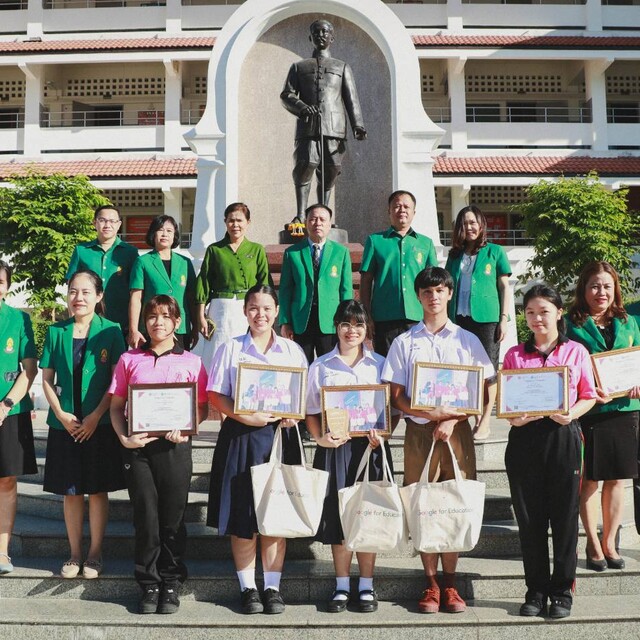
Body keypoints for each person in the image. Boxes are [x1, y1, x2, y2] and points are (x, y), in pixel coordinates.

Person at [382, 266, 494, 614]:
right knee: (423, 504)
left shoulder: (467, 340)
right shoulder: (404, 342)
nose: (434, 297)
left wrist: (451, 418)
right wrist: (430, 414)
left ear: (449, 294)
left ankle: (450, 582)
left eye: (440, 290)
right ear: (418, 296)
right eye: (427, 292)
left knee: (455, 501)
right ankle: (430, 582)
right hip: (420, 432)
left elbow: (482, 388)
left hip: (456, 432)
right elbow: (396, 395)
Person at [206, 284, 308, 615]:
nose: (260, 314)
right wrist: (244, 416)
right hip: (240, 437)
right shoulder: (231, 349)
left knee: (276, 512)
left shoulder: (292, 351)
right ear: (245, 311)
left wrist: (294, 415)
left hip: (280, 438)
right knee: (243, 515)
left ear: (276, 311)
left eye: (266, 308)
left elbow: (303, 396)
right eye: (253, 308)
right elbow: (215, 394)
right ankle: (248, 587)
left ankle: (273, 587)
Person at [109, 294, 208, 615]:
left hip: (175, 447)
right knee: (146, 517)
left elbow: (202, 408)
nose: (158, 322)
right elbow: (115, 407)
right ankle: (149, 583)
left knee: (173, 519)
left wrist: (187, 429)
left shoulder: (192, 362)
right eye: (152, 316)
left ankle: (171, 581)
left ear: (177, 322)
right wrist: (124, 438)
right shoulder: (129, 359)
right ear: (144, 322)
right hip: (139, 449)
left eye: (166, 316)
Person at [503, 284, 597, 619]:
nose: (537, 318)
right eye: (530, 312)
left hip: (562, 437)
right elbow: (508, 402)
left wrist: (571, 414)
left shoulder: (576, 352)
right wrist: (515, 418)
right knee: (530, 521)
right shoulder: (515, 355)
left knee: (564, 519)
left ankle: (561, 592)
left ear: (559, 312)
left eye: (544, 311)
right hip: (524, 440)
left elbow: (588, 395)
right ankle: (536, 590)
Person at [305, 299, 395, 613]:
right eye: (345, 324)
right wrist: (320, 439)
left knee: (368, 513)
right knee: (339, 516)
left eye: (358, 324)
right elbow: (311, 411)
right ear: (336, 327)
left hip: (370, 448)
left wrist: (384, 433)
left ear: (367, 328)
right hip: (335, 449)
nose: (351, 330)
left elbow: (391, 411)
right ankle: (342, 585)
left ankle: (367, 585)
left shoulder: (380, 364)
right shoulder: (321, 366)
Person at [40, 269, 126, 580]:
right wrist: (61, 414)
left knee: (97, 490)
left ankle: (95, 554)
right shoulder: (56, 332)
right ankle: (75, 553)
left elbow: (117, 381)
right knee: (71, 491)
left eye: (86, 292)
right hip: (65, 425)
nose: (79, 298)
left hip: (98, 424)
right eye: (73, 291)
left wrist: (96, 416)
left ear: (99, 296)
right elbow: (46, 379)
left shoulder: (111, 330)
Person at [565, 261, 640, 573]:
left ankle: (610, 542)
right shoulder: (570, 324)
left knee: (618, 479)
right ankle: (593, 543)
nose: (601, 292)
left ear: (615, 289)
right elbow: (566, 367)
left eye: (607, 286)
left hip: (625, 410)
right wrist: (587, 388)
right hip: (590, 410)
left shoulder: (629, 322)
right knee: (591, 480)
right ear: (584, 289)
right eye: (595, 285)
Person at [280, 19, 366, 224]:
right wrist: (301, 107)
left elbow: (351, 98)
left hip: (334, 128)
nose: (321, 35)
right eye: (316, 32)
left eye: (325, 31)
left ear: (332, 38)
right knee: (305, 165)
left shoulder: (342, 67)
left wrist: (358, 125)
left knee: (331, 169)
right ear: (310, 37)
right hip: (308, 127)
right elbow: (286, 95)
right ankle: (301, 215)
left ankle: (324, 213)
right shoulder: (299, 67)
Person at [444, 205, 512, 440]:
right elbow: (447, 287)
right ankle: (474, 417)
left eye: (473, 222)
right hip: (459, 319)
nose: (469, 227)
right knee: (466, 370)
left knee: (487, 369)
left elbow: (504, 287)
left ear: (481, 224)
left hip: (487, 320)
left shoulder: (495, 251)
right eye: (464, 223)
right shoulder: (454, 255)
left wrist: (504, 319)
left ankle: (485, 421)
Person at [360, 190, 438, 357]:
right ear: (389, 211)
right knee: (387, 365)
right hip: (384, 317)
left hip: (418, 316)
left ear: (414, 212)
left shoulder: (425, 243)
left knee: (417, 364)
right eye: (396, 206)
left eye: (406, 206)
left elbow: (434, 284)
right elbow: (366, 280)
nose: (401, 210)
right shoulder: (375, 241)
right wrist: (366, 314)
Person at [194, 202, 269, 370]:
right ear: (225, 222)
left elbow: (264, 282)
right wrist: (201, 316)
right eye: (231, 220)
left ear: (248, 222)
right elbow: (204, 283)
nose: (235, 225)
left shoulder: (257, 250)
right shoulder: (215, 250)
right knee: (217, 352)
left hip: (248, 308)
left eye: (239, 220)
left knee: (247, 351)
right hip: (220, 309)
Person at [0, 259, 38, 575]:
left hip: (10, 410)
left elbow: (29, 369)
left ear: (7, 286)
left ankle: (2, 551)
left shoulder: (19, 320)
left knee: (6, 480)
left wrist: (6, 403)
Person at [279, 204, 353, 363]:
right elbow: (285, 290)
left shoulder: (341, 252)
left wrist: (346, 321)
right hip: (301, 320)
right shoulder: (292, 253)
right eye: (313, 219)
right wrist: (285, 322)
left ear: (329, 224)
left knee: (330, 365)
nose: (317, 223)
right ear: (306, 223)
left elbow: (346, 290)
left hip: (330, 320)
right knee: (301, 365)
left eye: (322, 219)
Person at [66, 205, 139, 337]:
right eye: (102, 220)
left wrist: (133, 326)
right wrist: (73, 320)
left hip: (120, 322)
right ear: (95, 223)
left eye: (112, 221)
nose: (107, 225)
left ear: (119, 224)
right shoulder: (81, 251)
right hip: (86, 322)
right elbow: (71, 287)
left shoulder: (130, 253)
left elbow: (136, 290)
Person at [129, 215, 197, 350]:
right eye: (160, 230)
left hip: (180, 327)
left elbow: (191, 297)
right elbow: (136, 298)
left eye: (169, 231)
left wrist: (195, 327)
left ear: (174, 235)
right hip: (153, 326)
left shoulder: (185, 262)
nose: (165, 234)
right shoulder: (143, 262)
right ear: (153, 234)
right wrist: (133, 330)